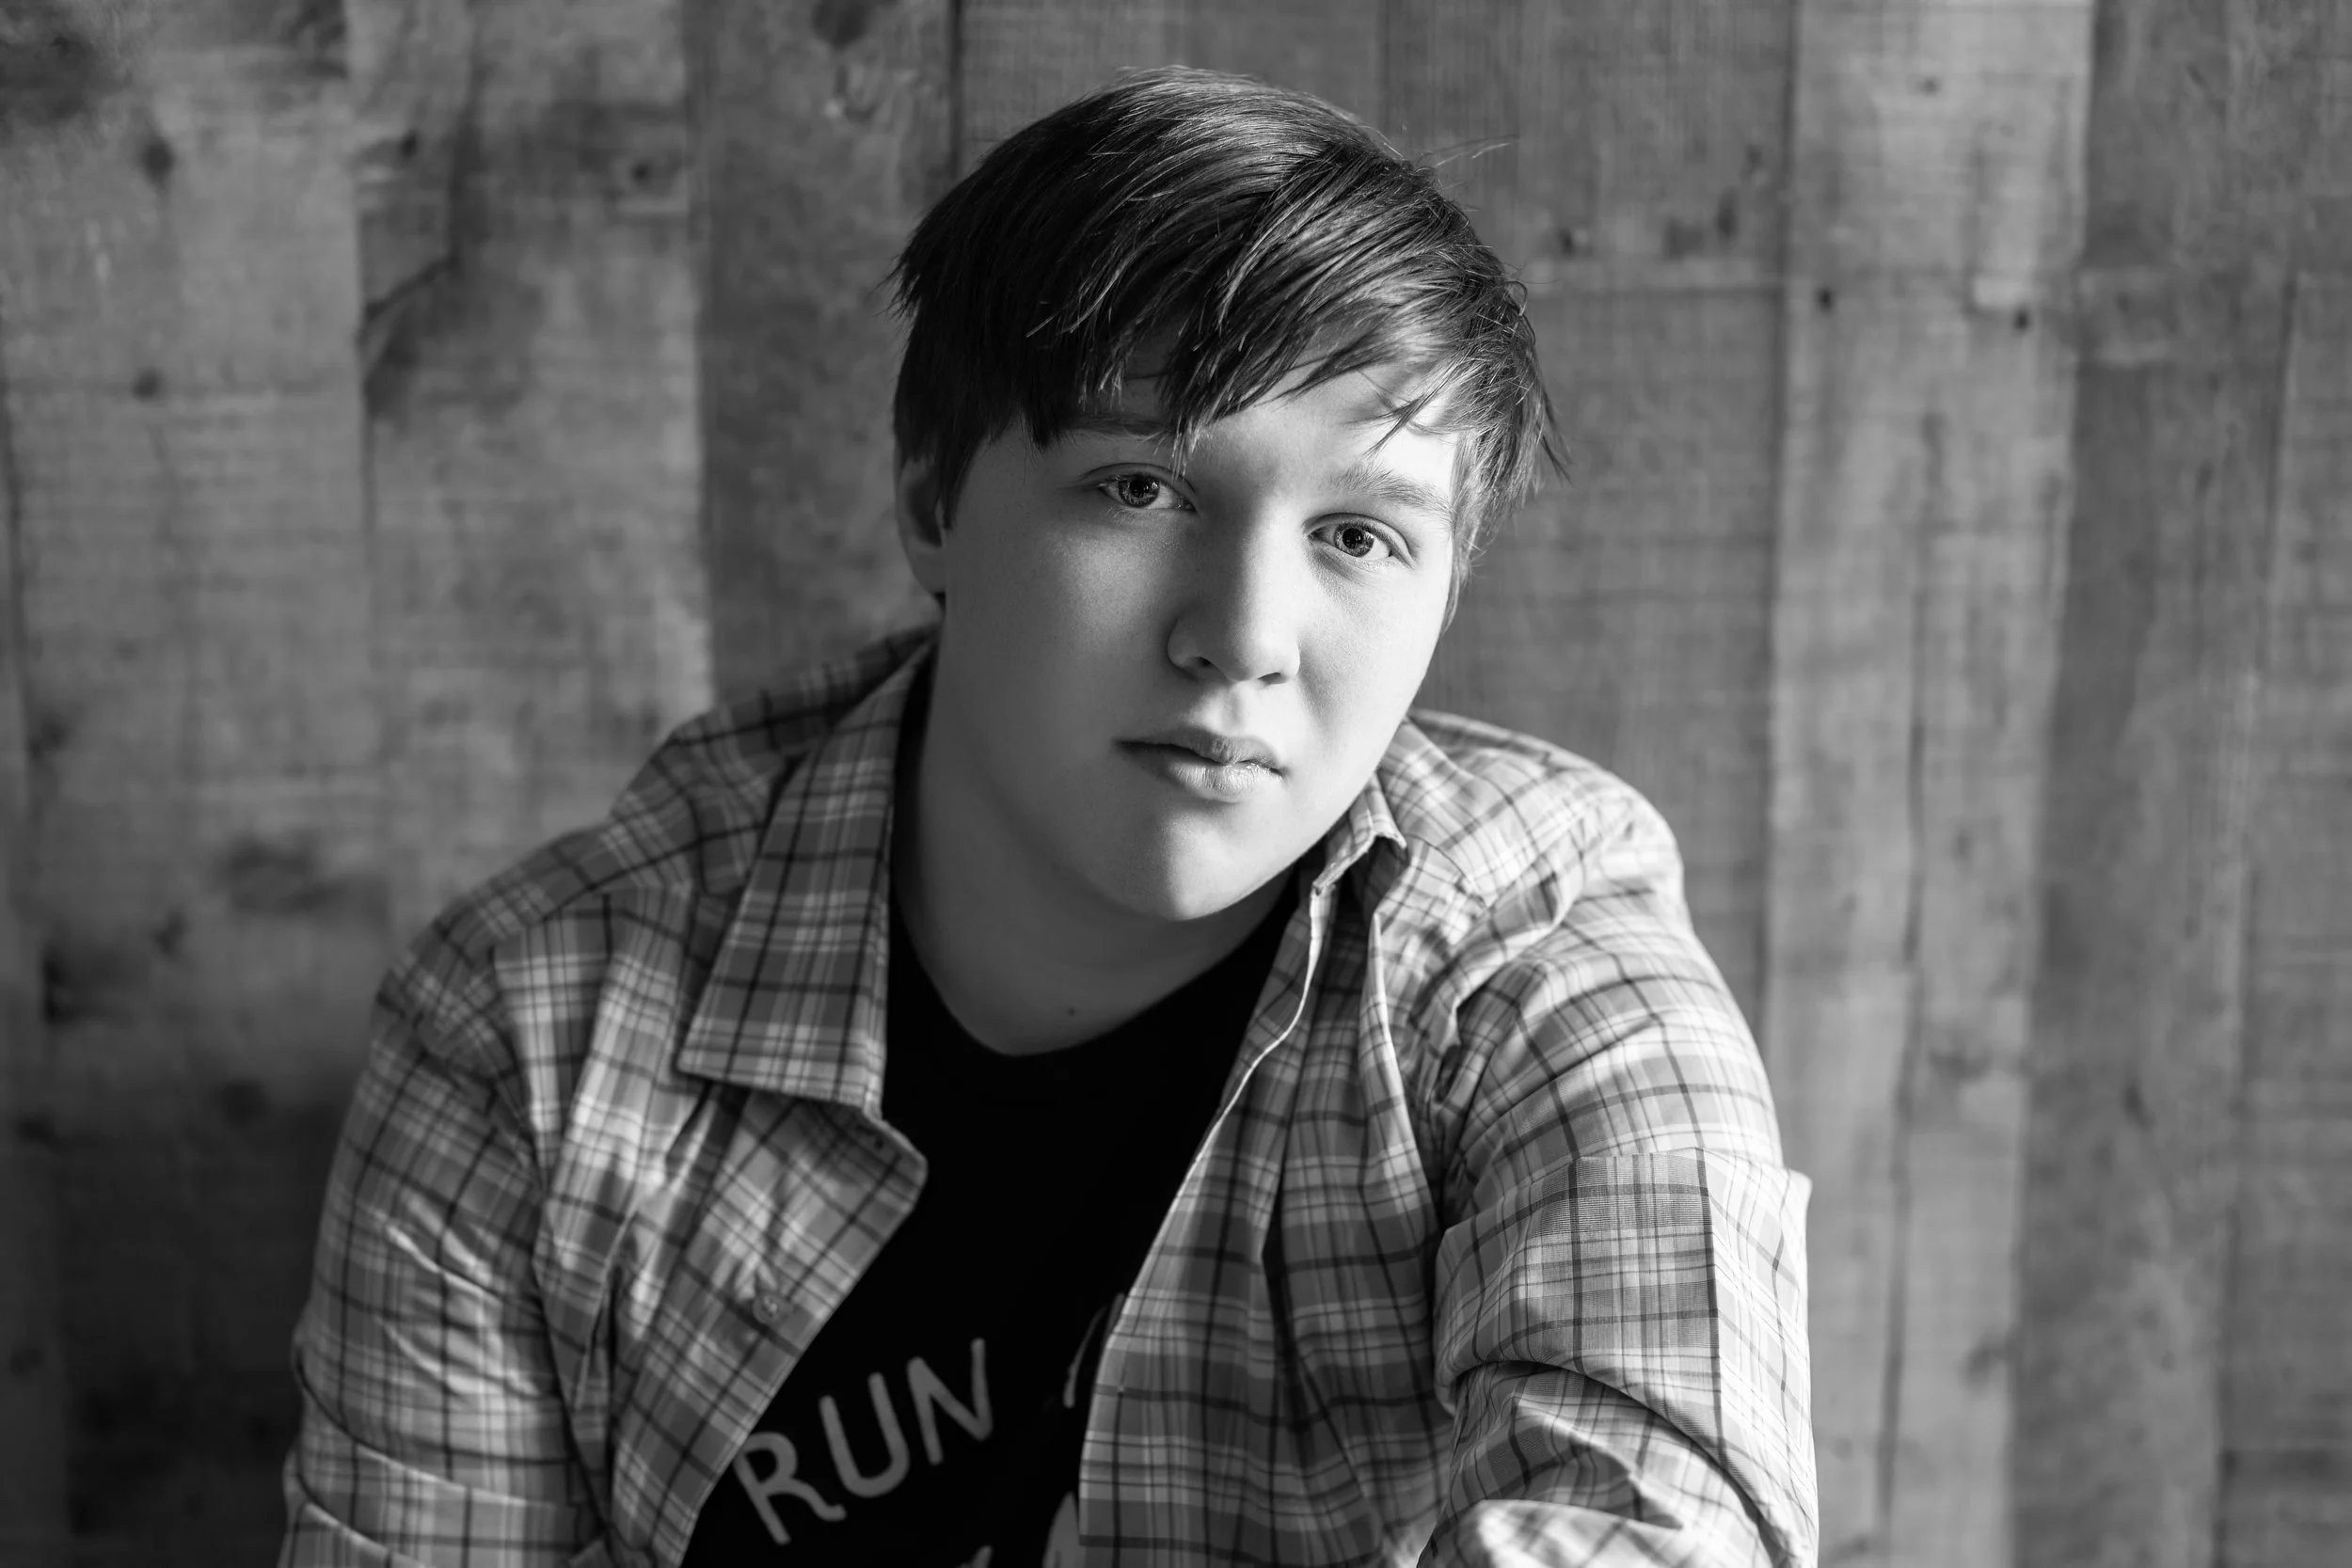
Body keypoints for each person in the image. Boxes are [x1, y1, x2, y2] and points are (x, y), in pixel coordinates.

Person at [276, 65, 1816, 1568]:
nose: (1245, 635)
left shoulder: (1537, 979)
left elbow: (1664, 1530)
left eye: (1357, 533)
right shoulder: (529, 1034)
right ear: (937, 499)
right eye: (1140, 489)